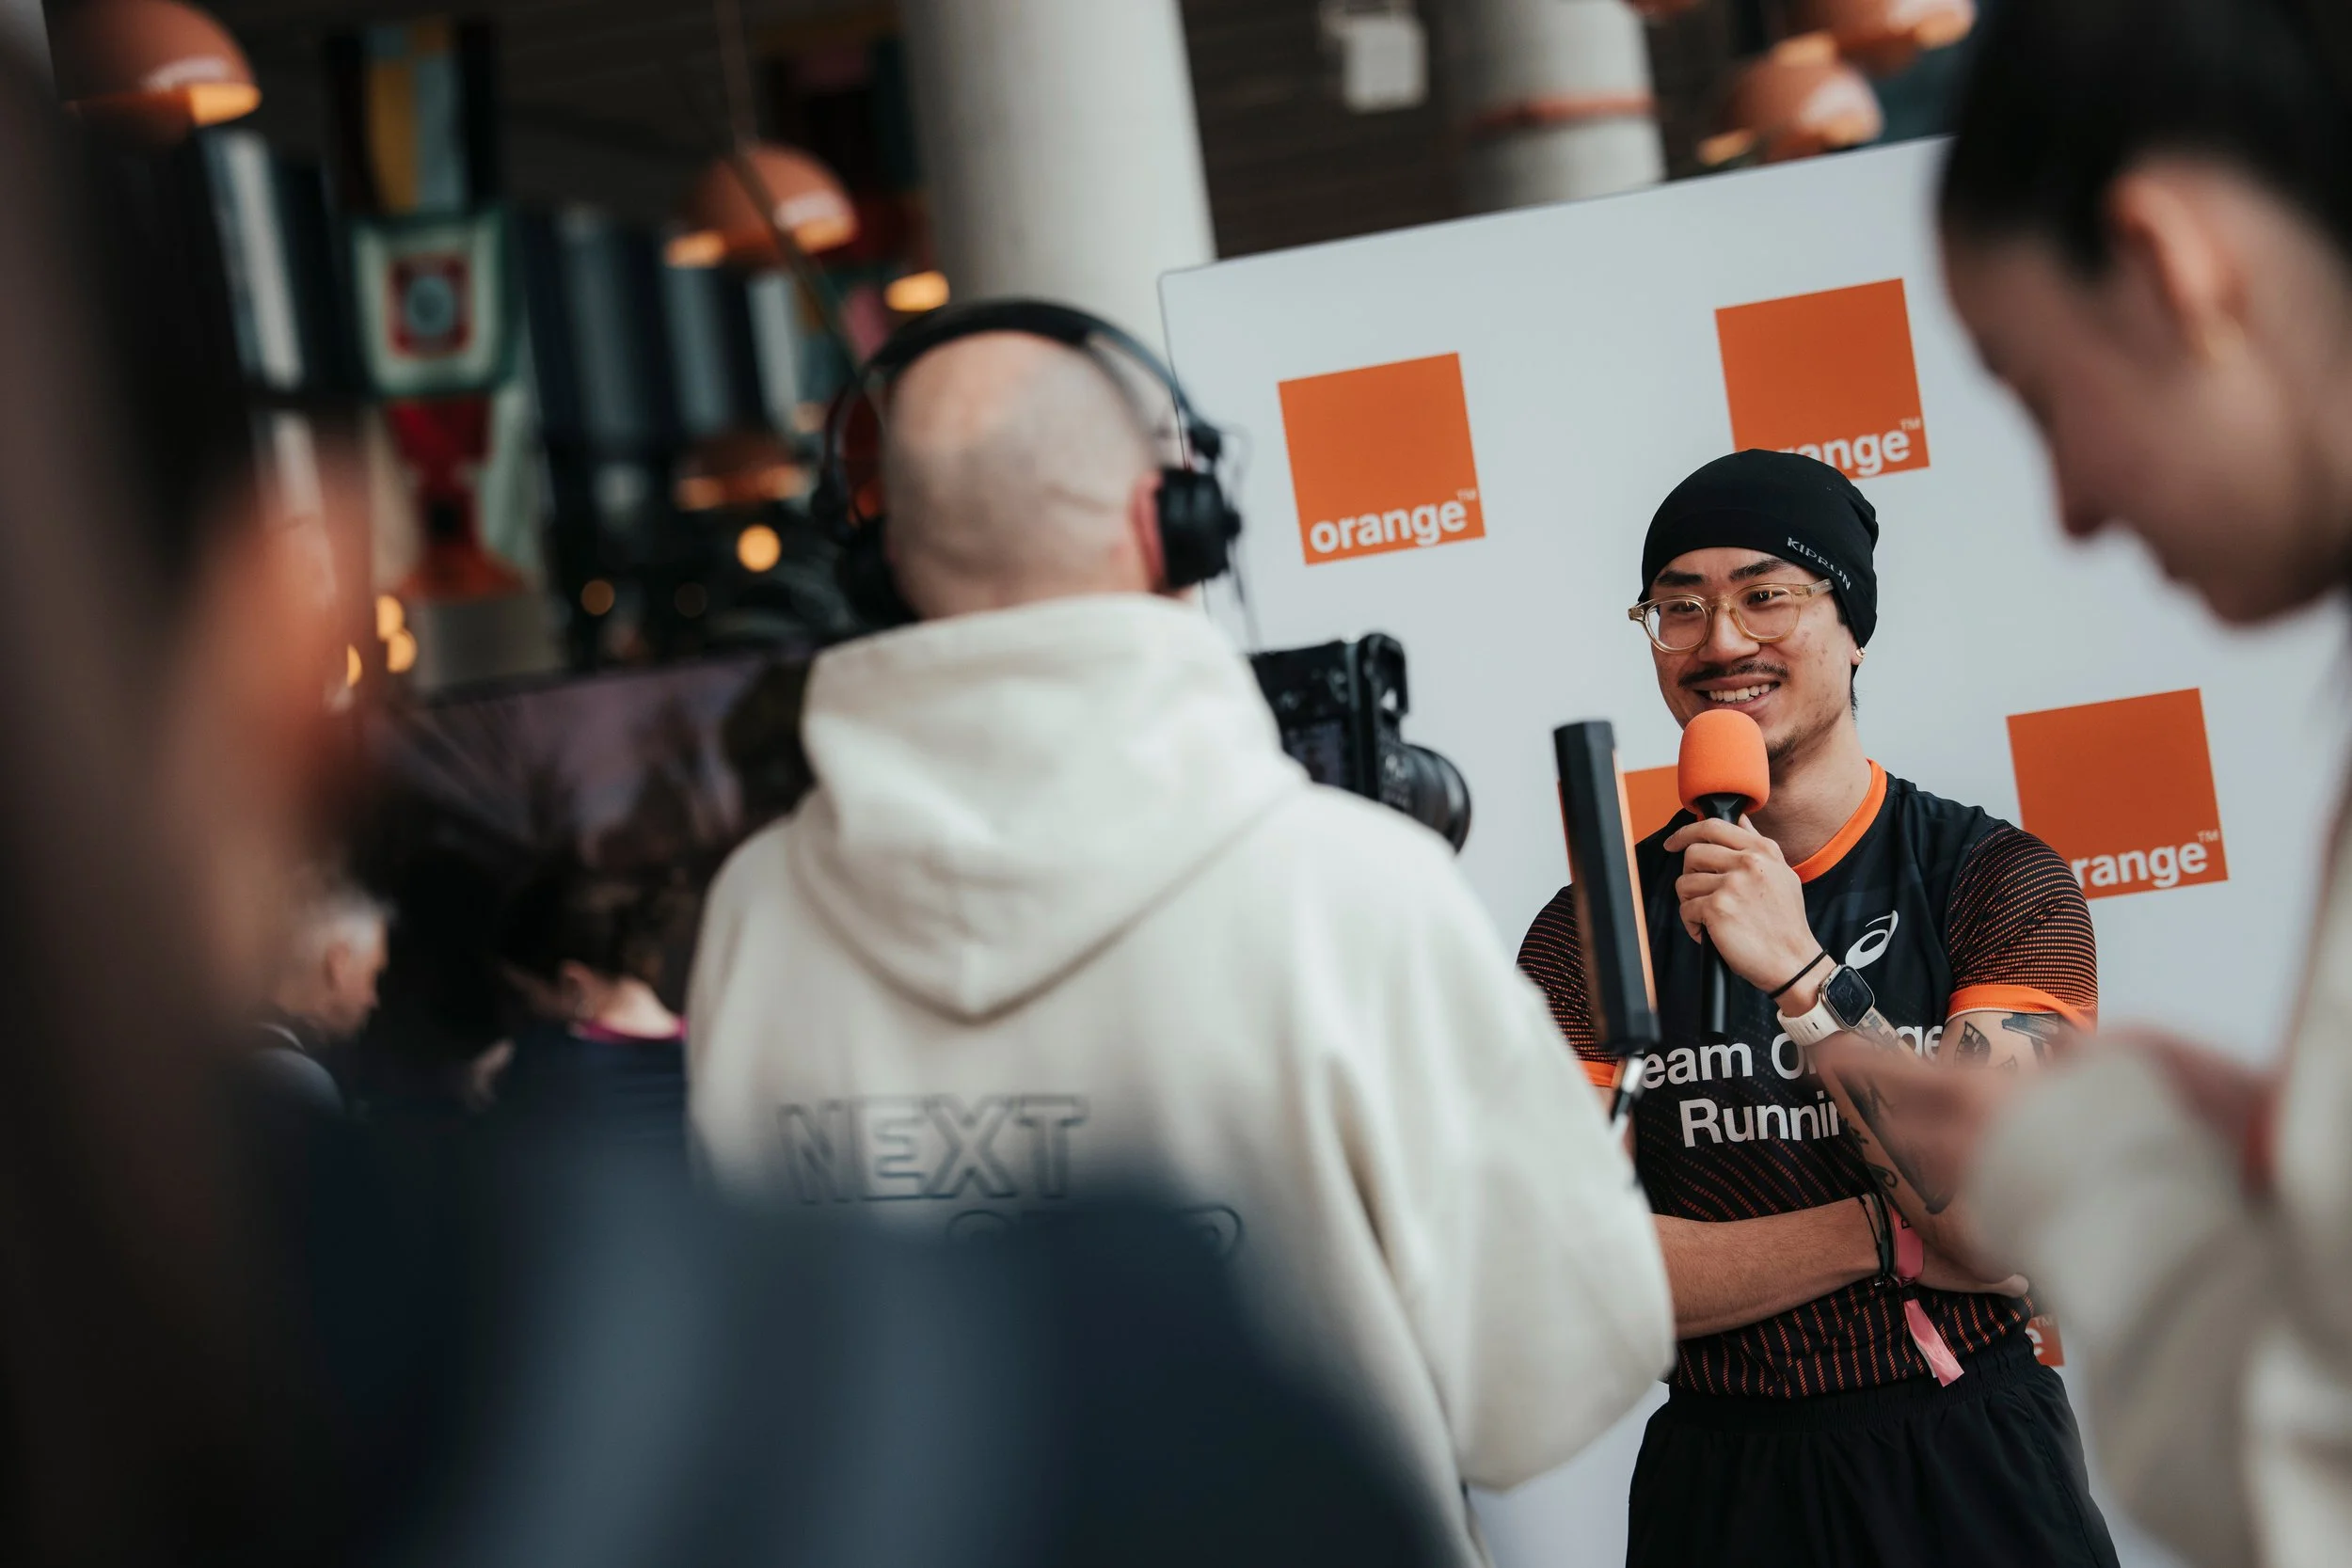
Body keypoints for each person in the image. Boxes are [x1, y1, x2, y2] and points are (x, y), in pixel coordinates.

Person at [689, 308, 1674, 1565]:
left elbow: (761, 1370)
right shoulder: (1357, 889)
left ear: (878, 562)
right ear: (1173, 522)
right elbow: (1546, 1381)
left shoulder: (755, 913)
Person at [1800, 4, 2352, 1566]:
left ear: (2168, 263)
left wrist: (2079, 1170)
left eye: (2043, 394)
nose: (2073, 505)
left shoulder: (1991, 875)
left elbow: (2315, 1475)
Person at [1516, 449, 2117, 1568]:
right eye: (1677, 605)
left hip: (1962, 1458)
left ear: (1852, 626)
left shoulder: (1992, 879)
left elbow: (1996, 1221)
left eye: (1766, 593)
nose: (1721, 641)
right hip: (1721, 1482)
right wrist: (1876, 1237)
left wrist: (1802, 975)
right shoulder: (1589, 926)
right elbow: (1566, 1273)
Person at [493, 859, 691, 1165]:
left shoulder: (545, 1067)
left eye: (528, 993)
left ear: (573, 983)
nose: (531, 1007)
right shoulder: (708, 1052)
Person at [250, 867, 390, 1113]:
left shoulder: (237, 1041)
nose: (375, 1001)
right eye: (374, 977)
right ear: (338, 964)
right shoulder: (300, 1083)